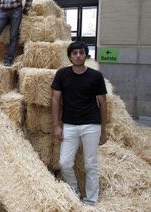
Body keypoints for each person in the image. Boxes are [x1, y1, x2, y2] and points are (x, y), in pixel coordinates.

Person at [51, 41, 108, 206]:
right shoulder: (62, 74)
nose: (78, 55)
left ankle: (91, 200)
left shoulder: (96, 76)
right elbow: (55, 100)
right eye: (74, 53)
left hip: (92, 125)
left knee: (90, 164)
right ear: (69, 57)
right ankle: (74, 191)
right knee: (64, 163)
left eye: (81, 53)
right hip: (69, 124)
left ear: (86, 55)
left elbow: (103, 103)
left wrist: (103, 130)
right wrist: (56, 125)